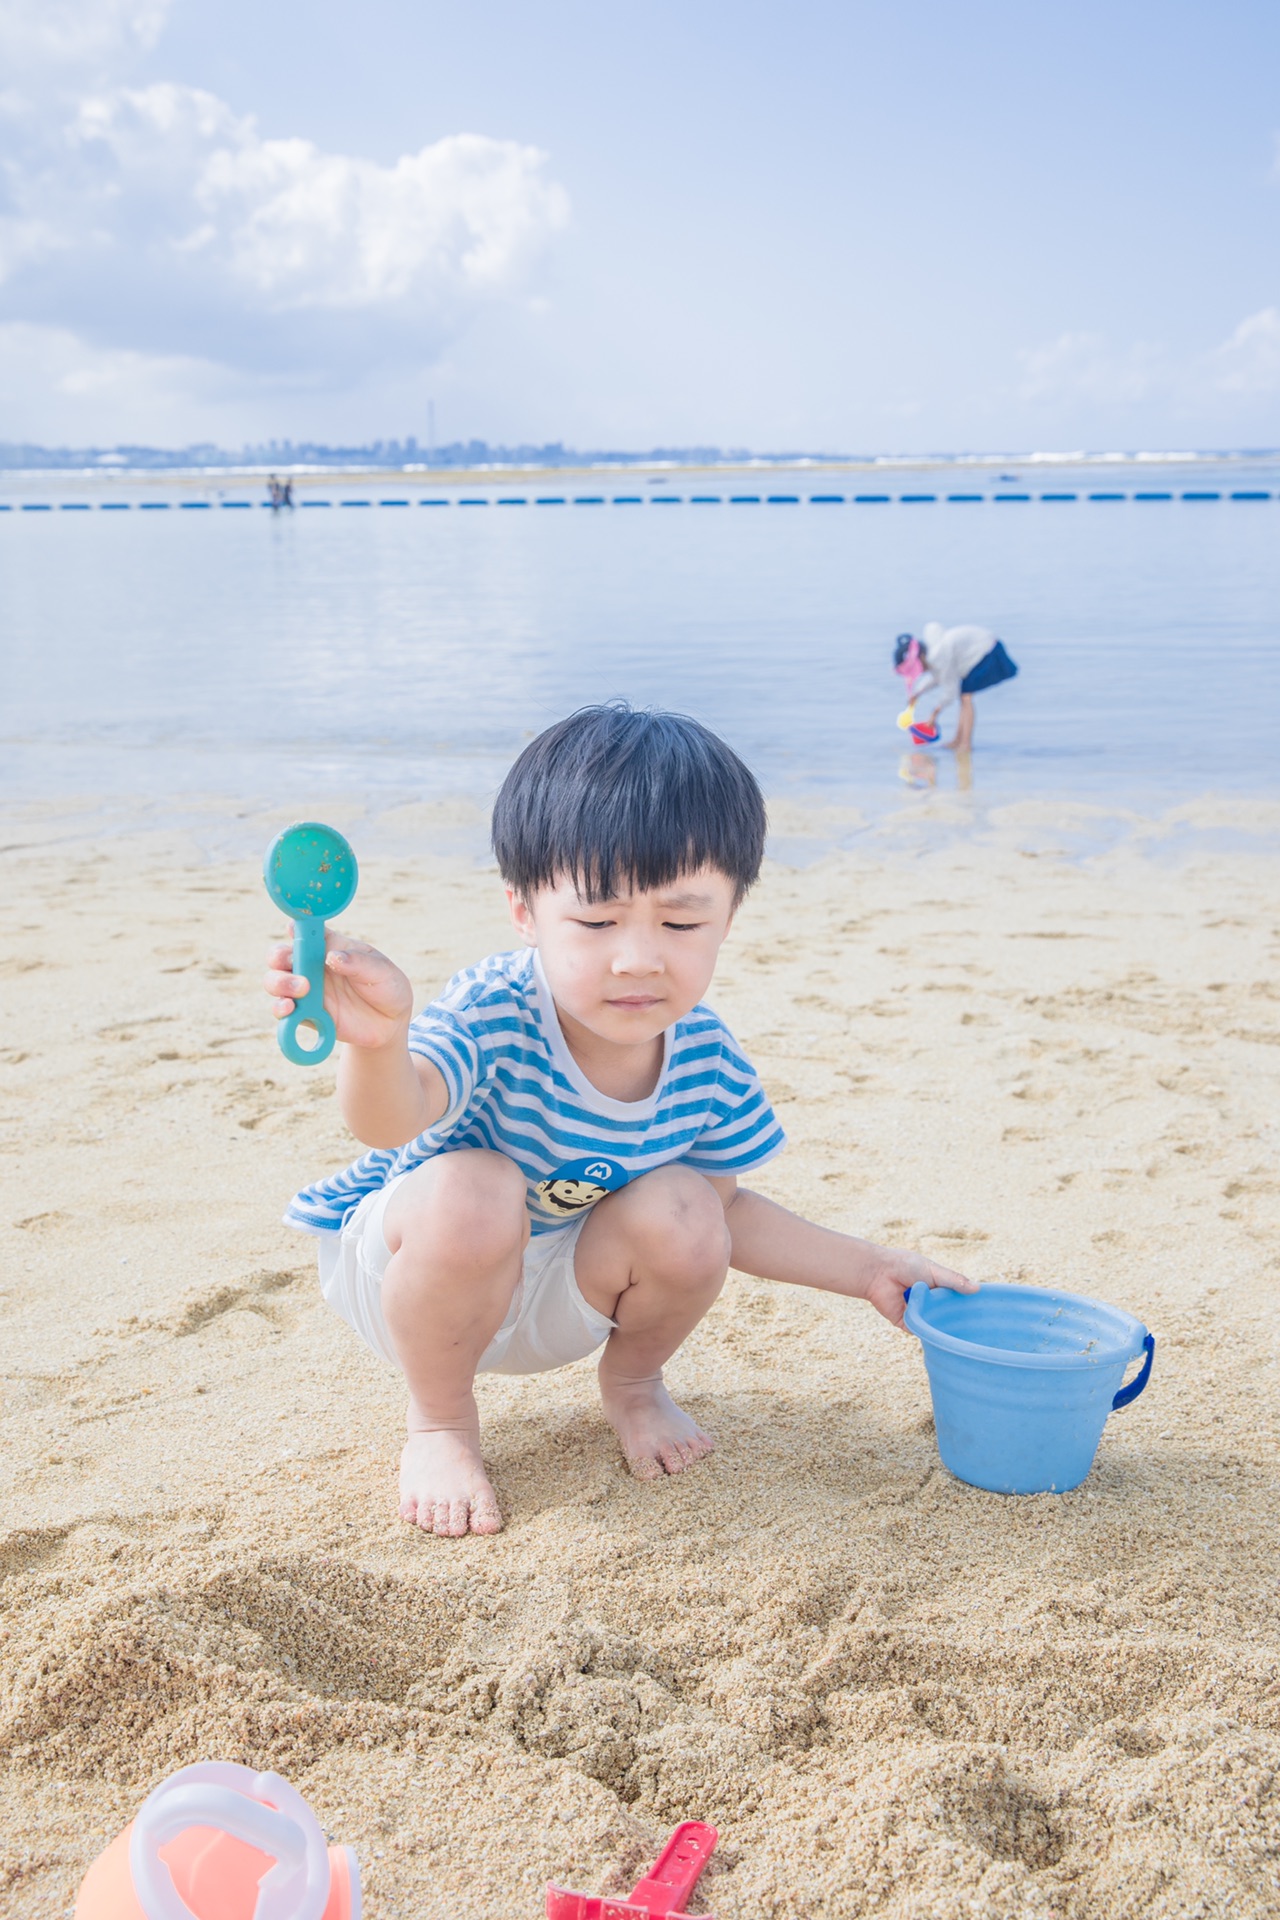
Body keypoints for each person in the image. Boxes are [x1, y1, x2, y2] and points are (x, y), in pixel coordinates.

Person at [264, 705, 975, 1537]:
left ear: (729, 919)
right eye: (597, 922)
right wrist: (379, 1046)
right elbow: (395, 1120)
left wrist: (866, 1269)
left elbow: (729, 1214)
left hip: (565, 1289)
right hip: (412, 1277)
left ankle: (633, 1385)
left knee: (686, 1208)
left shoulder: (706, 1059)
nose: (638, 956)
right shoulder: (494, 1008)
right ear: (525, 912)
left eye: (680, 922)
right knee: (475, 1187)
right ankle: (441, 1425)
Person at [893, 622, 1018, 751]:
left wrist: (934, 714)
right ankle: (958, 740)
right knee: (964, 696)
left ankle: (965, 744)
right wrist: (917, 693)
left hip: (988, 651)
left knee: (966, 696)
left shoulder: (938, 655)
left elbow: (950, 690)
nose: (922, 672)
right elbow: (937, 677)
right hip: (979, 651)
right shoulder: (933, 653)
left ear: (922, 657)